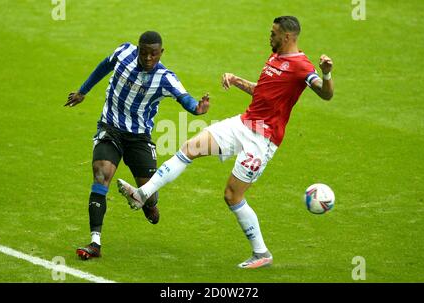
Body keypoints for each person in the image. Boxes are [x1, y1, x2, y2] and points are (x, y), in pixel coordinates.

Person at [117, 16, 334, 268]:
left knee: (232, 195)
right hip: (244, 123)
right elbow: (263, 92)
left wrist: (327, 74)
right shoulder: (275, 57)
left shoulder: (301, 66)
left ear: (287, 37)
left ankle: (261, 253)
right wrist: (236, 79)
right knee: (190, 148)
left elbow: (325, 93)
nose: (269, 36)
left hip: (262, 140)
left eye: (273, 33)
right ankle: (142, 194)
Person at [65, 31, 210, 260]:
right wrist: (83, 91)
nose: (148, 58)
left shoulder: (165, 78)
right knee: (101, 174)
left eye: (154, 54)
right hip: (110, 128)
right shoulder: (123, 53)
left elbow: (185, 98)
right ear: (138, 49)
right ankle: (95, 243)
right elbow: (104, 66)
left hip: (139, 138)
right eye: (144, 53)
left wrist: (197, 109)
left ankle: (148, 203)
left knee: (148, 195)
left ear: (161, 52)